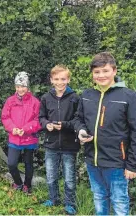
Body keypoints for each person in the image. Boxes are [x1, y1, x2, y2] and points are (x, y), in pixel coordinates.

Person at [74, 52, 136, 215]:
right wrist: (81, 131)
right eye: (97, 72)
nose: (101, 75)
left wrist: (133, 164)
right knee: (99, 197)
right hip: (93, 159)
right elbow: (78, 119)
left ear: (114, 71)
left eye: (105, 71)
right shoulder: (87, 95)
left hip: (117, 163)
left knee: (119, 201)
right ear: (92, 74)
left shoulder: (129, 96)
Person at [39, 65, 80, 215]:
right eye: (56, 79)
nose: (60, 82)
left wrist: (65, 125)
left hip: (70, 144)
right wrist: (47, 125)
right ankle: (53, 198)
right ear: (51, 80)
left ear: (68, 79)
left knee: (69, 177)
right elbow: (41, 118)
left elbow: (78, 119)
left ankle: (70, 203)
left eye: (63, 79)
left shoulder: (75, 98)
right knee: (51, 175)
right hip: (51, 144)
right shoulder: (45, 98)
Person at [1, 71, 41, 195]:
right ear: (15, 87)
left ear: (28, 87)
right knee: (12, 163)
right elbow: (5, 117)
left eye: (23, 86)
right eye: (18, 86)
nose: (20, 89)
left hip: (29, 138)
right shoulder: (10, 101)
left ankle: (27, 185)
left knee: (28, 163)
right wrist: (13, 128)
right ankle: (18, 183)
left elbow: (38, 120)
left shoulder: (35, 102)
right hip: (14, 138)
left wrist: (26, 129)